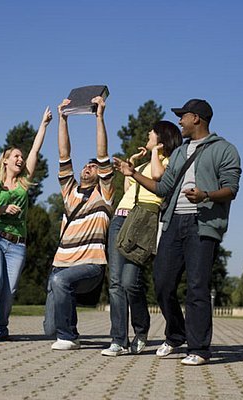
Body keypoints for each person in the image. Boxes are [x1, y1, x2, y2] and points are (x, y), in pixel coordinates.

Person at [114, 99, 241, 365]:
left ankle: (199, 349)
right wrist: (132, 174)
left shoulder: (225, 150)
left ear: (197, 118)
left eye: (183, 116)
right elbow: (163, 188)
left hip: (202, 224)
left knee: (197, 286)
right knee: (162, 282)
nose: (179, 121)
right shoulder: (181, 152)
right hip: (173, 222)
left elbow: (231, 189)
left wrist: (205, 195)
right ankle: (176, 334)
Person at [101, 121, 182, 357]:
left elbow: (158, 179)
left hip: (143, 221)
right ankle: (118, 340)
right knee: (115, 282)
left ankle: (141, 330)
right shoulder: (146, 162)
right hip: (121, 217)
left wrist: (155, 152)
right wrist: (134, 165)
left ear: (162, 138)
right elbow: (130, 187)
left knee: (129, 282)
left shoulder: (167, 161)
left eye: (152, 133)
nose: (148, 134)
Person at [44, 96, 114, 351]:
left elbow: (103, 154)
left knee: (61, 284)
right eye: (87, 165)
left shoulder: (104, 195)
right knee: (48, 329)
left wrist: (99, 117)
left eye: (93, 167)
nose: (88, 167)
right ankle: (66, 331)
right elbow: (64, 154)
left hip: (90, 265)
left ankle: (70, 337)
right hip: (60, 264)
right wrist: (63, 119)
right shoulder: (69, 191)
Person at [0, 107, 52, 342]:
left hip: (17, 243)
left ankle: (1, 328)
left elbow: (35, 150)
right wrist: (3, 209)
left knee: (9, 291)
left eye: (21, 157)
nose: (20, 159)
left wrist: (43, 124)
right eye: (16, 157)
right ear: (6, 161)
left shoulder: (23, 183)